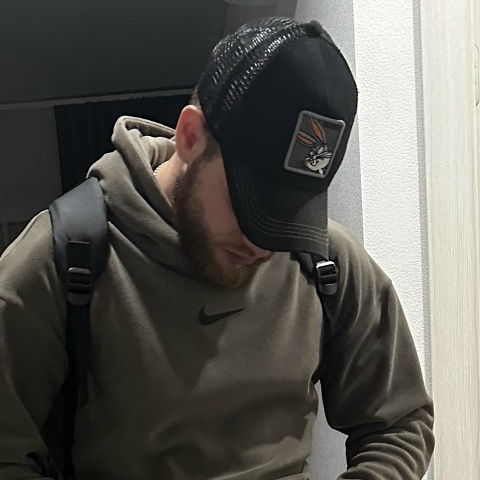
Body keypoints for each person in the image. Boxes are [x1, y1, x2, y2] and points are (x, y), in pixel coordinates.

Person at [0, 16, 434, 480]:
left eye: (286, 212)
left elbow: (400, 422)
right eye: (250, 205)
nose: (263, 243)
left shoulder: (328, 262)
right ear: (190, 136)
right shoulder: (61, 259)